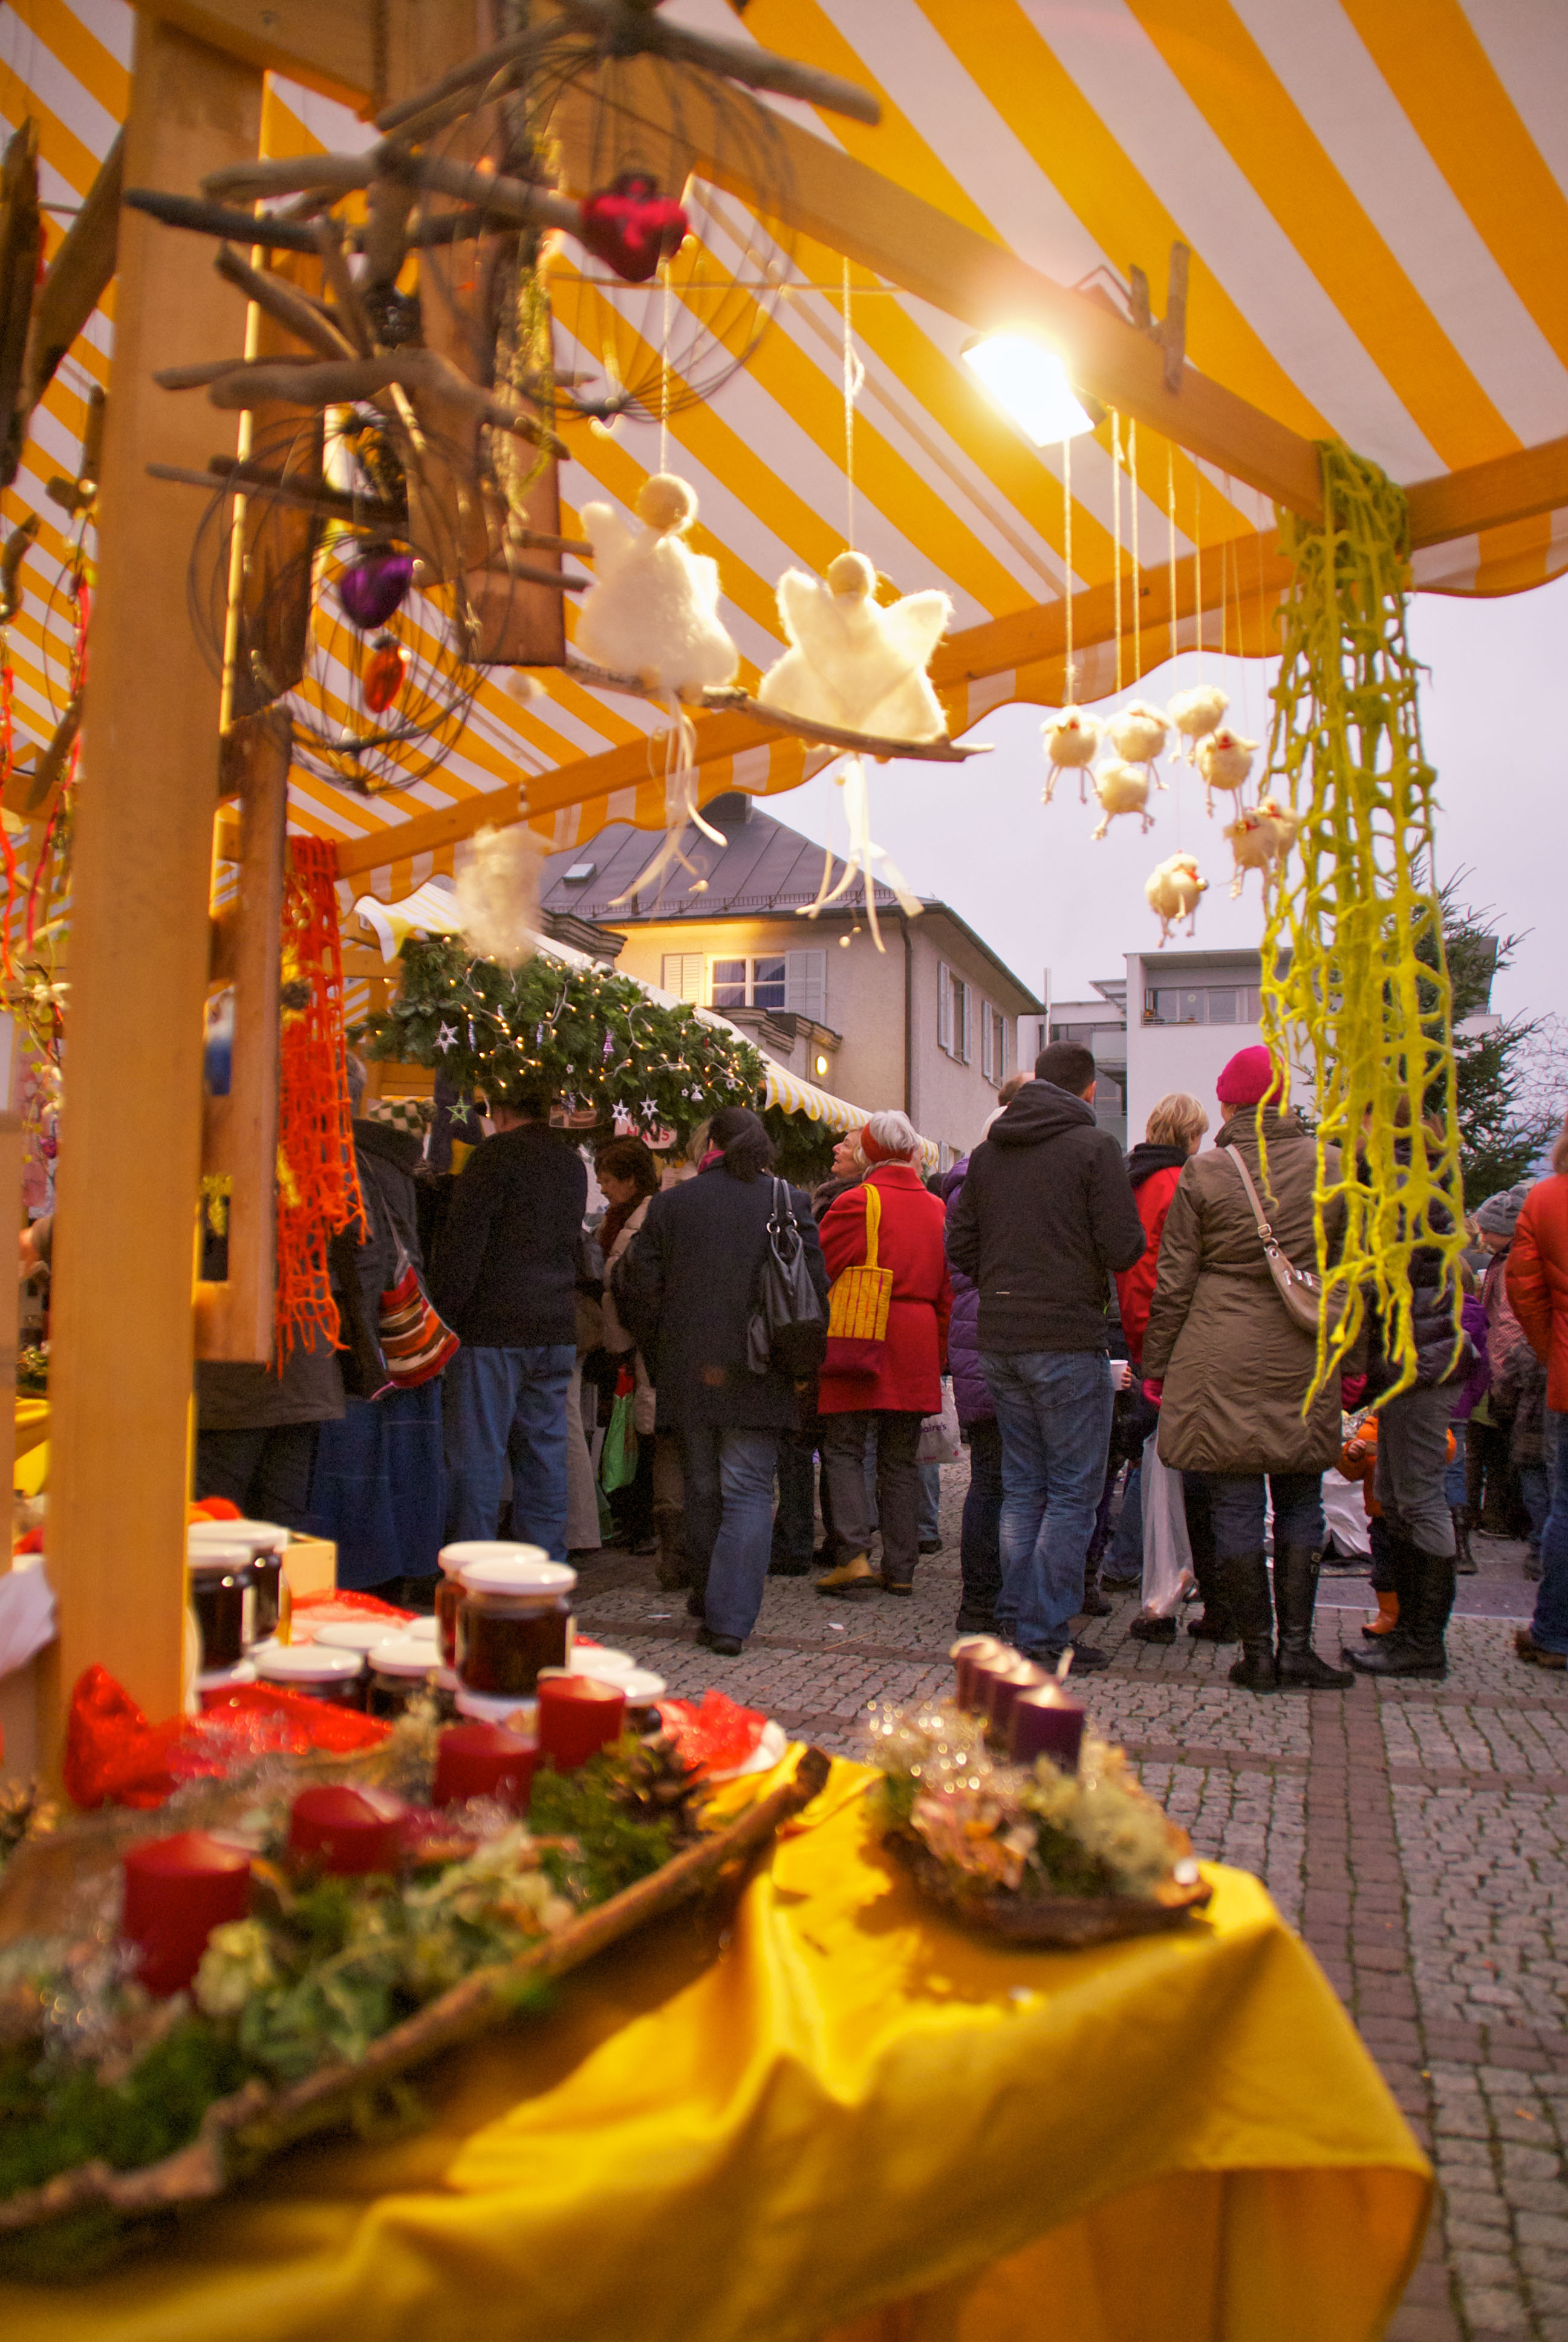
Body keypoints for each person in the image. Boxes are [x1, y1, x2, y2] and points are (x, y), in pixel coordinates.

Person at [1141, 1046, 1353, 1694]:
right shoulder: (1333, 1167)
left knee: (1233, 1502)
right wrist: (1353, 1363)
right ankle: (1297, 1650)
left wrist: (1157, 1366)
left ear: (1228, 1104)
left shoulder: (1205, 1172)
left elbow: (1174, 1281)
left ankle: (1255, 1653)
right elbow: (1355, 1275)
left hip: (1217, 1352)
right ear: (1284, 1102)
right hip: (1304, 1349)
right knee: (1300, 1500)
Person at [946, 1040, 1145, 1671]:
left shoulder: (988, 1153)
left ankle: (1015, 1617)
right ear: (1089, 1090)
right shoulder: (1094, 1148)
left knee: (1023, 1487)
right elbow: (1124, 1246)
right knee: (1070, 1493)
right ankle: (1042, 1635)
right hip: (1065, 1336)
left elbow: (960, 1245)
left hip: (1001, 1338)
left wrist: (1004, 1279)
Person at [614, 1106, 827, 1656]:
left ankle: (709, 1600)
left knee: (702, 1490)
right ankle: (730, 1620)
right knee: (750, 1491)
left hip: (689, 1368)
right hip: (760, 1368)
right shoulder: (787, 1201)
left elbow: (638, 1287)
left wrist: (662, 1351)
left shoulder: (671, 1204)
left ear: (710, 1142)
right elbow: (814, 1289)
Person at [430, 1079, 588, 1563]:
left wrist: (443, 1317)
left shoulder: (493, 1157)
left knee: (478, 1457)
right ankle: (545, 1566)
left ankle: (472, 1570)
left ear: (499, 1111)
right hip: (555, 1324)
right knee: (544, 1456)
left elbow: (464, 1246)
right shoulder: (571, 1163)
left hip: (493, 1327)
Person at [308, 1061, 445, 1602]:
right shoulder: (387, 1158)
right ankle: (402, 1570)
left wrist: (357, 1336)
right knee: (401, 1465)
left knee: (356, 1470)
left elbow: (361, 1256)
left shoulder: (334, 1157)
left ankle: (363, 1584)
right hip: (399, 1330)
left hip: (356, 1336)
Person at [1343, 1114, 1473, 1682]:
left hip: (1420, 1364)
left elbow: (1382, 1279)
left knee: (1417, 1499)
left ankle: (1423, 1642)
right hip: (1411, 1364)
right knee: (1396, 1495)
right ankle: (1408, 1630)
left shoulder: (1401, 1186)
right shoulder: (1408, 1179)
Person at [813, 1113, 951, 1600]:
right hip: (916, 1336)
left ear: (868, 1153)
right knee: (900, 1457)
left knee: (845, 1446)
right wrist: (938, 1351)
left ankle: (853, 1555)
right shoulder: (936, 1207)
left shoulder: (856, 1201)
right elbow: (947, 1289)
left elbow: (821, 1269)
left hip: (863, 1327)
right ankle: (901, 1566)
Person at [1115, 1093, 1220, 1641]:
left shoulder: (1131, 1180)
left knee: (1152, 1462)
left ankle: (1152, 1577)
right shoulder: (1179, 1183)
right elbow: (1169, 1271)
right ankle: (1169, 1582)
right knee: (1178, 1468)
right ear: (1190, 1135)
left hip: (1141, 1335)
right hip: (1173, 1340)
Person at [1508, 1131, 1568, 1668]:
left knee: (1565, 1508)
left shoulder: (1546, 1198)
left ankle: (1554, 1633)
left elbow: (1524, 1291)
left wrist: (1554, 1352)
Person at [594, 1137, 666, 1562]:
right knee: (631, 1427)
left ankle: (644, 1522)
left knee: (644, 1429)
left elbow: (634, 1285)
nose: (602, 1187)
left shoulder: (645, 1218)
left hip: (637, 1343)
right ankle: (631, 1516)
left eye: (607, 1180)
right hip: (623, 1341)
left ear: (630, 1180)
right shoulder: (619, 1217)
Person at [940, 1148, 1001, 1633]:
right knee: (1017, 1483)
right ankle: (1006, 1601)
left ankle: (978, 1602)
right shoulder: (1007, 1185)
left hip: (970, 1335)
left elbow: (956, 1259)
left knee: (986, 1479)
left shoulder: (960, 1191)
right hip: (1004, 1330)